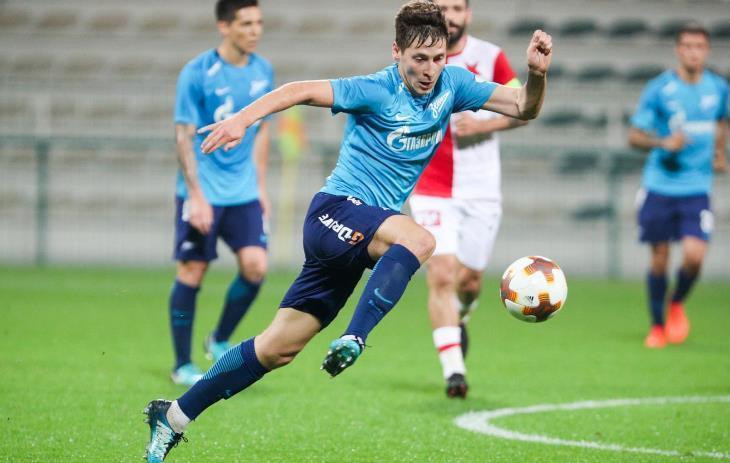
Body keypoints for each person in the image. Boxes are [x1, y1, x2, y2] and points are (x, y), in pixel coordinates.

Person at [143, 2, 552, 460]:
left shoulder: (453, 85)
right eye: (419, 58)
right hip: (335, 213)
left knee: (277, 349)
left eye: (438, 58)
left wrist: (536, 74)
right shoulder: (374, 89)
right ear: (396, 52)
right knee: (420, 239)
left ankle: (174, 415)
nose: (429, 70)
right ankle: (355, 337)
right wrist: (242, 120)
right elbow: (299, 90)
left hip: (362, 234)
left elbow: (524, 107)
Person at [409, 0, 527, 399]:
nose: (450, 15)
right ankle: (454, 371)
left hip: (480, 188)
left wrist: (484, 124)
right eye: (443, 7)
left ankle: (460, 316)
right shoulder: (418, 58)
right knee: (442, 274)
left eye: (457, 7)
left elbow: (523, 107)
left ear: (468, 14)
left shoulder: (491, 57)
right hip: (431, 187)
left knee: (469, 282)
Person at [168, 0, 274, 386]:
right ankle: (182, 364)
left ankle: (219, 338)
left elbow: (262, 132)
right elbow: (183, 136)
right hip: (205, 192)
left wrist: (260, 187)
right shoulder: (197, 73)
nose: (255, 30)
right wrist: (195, 195)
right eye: (245, 23)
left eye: (258, 22)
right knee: (193, 270)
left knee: (256, 267)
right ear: (224, 26)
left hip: (243, 192)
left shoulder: (263, 71)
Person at [628, 23, 727, 349]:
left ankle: (676, 302)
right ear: (678, 50)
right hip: (660, 185)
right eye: (687, 46)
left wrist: (719, 152)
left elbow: (722, 120)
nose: (693, 52)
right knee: (659, 259)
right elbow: (634, 136)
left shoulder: (718, 88)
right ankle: (657, 327)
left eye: (699, 46)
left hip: (696, 188)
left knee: (695, 257)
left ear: (706, 50)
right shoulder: (659, 89)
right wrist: (663, 143)